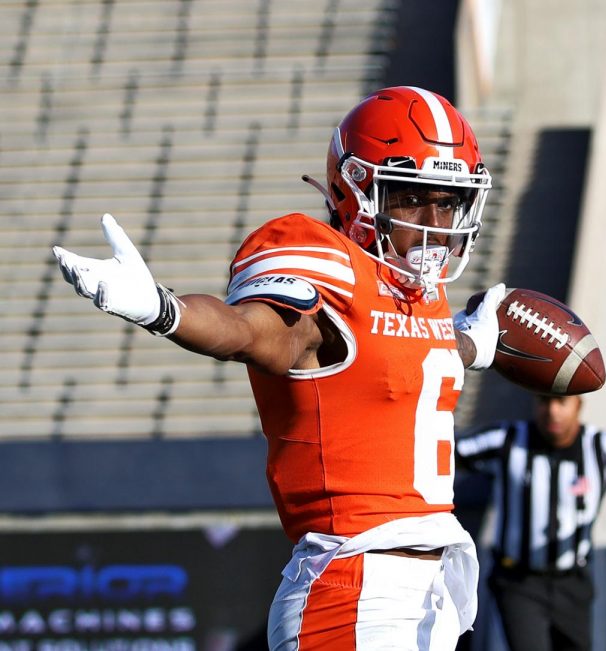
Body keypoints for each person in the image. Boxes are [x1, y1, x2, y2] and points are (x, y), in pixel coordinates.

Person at [52, 86, 509, 650]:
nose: (433, 222)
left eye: (448, 201)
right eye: (413, 198)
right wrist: (164, 310)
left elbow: (403, 357)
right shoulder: (324, 265)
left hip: (431, 594)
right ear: (358, 189)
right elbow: (255, 333)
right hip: (355, 589)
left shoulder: (418, 299)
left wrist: (470, 344)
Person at [456, 393, 606, 651]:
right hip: (518, 581)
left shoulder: (602, 446)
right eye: (545, 401)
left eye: (562, 402)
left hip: (572, 582)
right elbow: (449, 451)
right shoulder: (507, 439)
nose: (552, 411)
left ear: (579, 405)